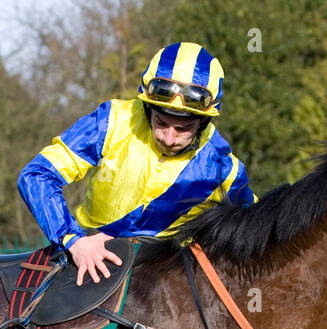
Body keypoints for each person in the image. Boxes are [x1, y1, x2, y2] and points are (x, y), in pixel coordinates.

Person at [18, 41, 254, 285]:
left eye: (183, 128)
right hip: (85, 259)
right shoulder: (110, 121)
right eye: (161, 122)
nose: (169, 138)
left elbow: (255, 234)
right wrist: (73, 240)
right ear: (148, 108)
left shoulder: (223, 168)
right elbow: (36, 175)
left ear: (204, 121)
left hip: (165, 284)